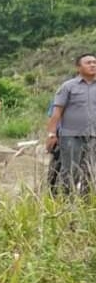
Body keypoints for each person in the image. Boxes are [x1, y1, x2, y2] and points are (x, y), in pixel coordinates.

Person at [46, 53, 96, 194]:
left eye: (94, 62)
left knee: (91, 172)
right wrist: (51, 134)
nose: (93, 65)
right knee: (70, 171)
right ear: (78, 67)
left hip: (93, 137)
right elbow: (56, 112)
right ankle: (66, 203)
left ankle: (87, 204)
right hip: (71, 136)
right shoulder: (68, 87)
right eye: (88, 63)